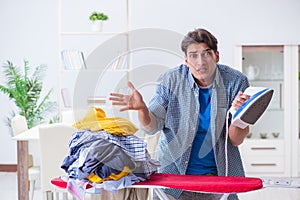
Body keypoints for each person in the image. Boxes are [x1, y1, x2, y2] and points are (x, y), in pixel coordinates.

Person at [109, 28, 250, 200]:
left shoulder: (236, 81)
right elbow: (151, 127)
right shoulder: (171, 80)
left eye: (206, 54)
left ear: (216, 56)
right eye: (193, 55)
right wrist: (142, 109)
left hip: (218, 177)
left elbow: (236, 140)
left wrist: (239, 116)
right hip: (174, 176)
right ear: (186, 60)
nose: (200, 62)